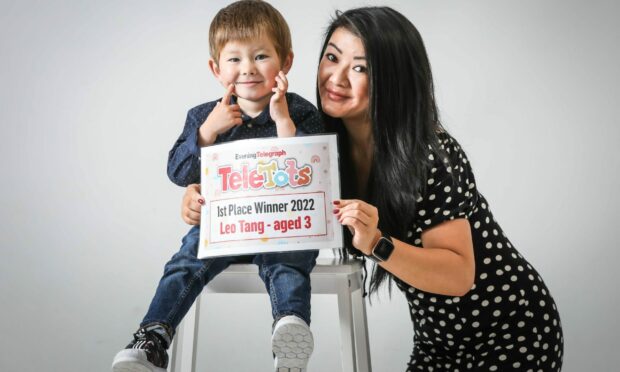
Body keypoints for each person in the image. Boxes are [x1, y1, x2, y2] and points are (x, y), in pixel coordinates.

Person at [182, 5, 565, 371]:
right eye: (332, 58)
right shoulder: (321, 148)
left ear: (391, 79)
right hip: (437, 342)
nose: (337, 77)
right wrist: (204, 198)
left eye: (360, 67)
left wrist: (378, 243)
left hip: (510, 330)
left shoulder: (432, 153)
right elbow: (273, 203)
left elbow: (458, 275)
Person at [112, 1, 323, 371]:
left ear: (285, 62)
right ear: (216, 68)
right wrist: (208, 131)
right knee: (184, 260)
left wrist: (283, 122)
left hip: (282, 230)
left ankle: (290, 333)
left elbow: (313, 174)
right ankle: (153, 338)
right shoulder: (203, 116)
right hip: (223, 227)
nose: (248, 70)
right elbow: (178, 172)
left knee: (288, 263)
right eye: (235, 60)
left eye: (260, 56)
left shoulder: (302, 113)